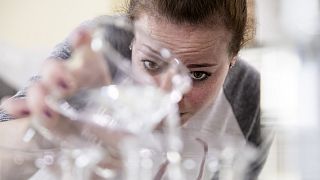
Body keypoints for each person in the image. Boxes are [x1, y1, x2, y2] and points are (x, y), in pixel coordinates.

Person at [0, 0, 268, 179]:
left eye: (198, 74)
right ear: (132, 41)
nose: (167, 96)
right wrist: (43, 134)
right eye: (151, 64)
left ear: (232, 61)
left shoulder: (244, 93)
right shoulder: (101, 48)